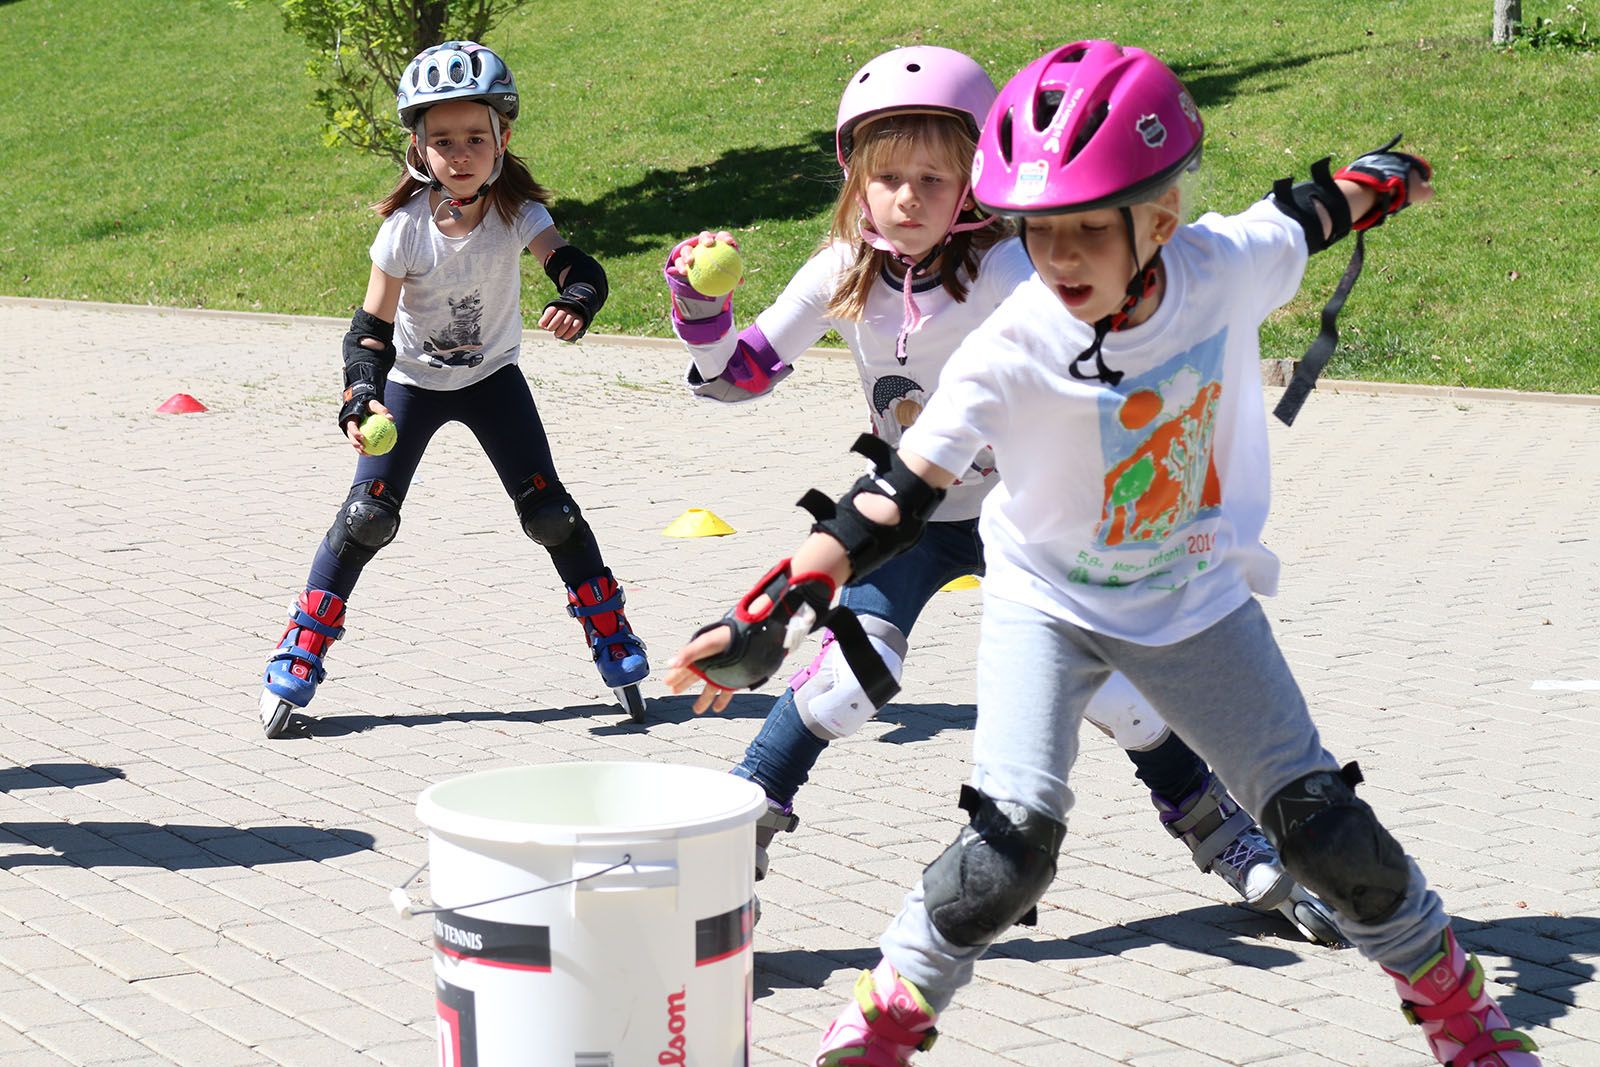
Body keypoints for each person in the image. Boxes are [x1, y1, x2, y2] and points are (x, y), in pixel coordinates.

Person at [666, 40, 1538, 1067]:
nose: (1062, 257)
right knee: (1004, 852)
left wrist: (1375, 183)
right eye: (1040, 233)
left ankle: (1461, 1017)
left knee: (1326, 832)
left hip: (1196, 601)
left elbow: (1307, 215)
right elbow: (895, 492)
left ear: (1159, 220)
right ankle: (877, 1028)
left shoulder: (1222, 265)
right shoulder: (1011, 340)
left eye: (1088, 229)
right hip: (1041, 601)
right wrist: (780, 598)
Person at [663, 45, 1338, 943]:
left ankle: (1235, 842)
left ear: (977, 185)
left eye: (933, 179)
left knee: (1119, 699)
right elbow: (738, 377)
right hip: (904, 509)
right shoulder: (841, 267)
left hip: (1025, 512)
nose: (908, 199)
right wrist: (700, 316)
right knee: (849, 682)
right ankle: (732, 852)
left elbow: (1119, 344)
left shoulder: (1011, 272)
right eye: (889, 176)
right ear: (855, 180)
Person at [259, 40, 648, 738]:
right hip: (412, 384)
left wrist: (580, 298)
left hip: (493, 380)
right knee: (365, 517)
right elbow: (369, 332)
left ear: (503, 137)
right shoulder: (403, 230)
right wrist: (360, 395)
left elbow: (573, 265)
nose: (460, 154)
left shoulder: (517, 211)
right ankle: (303, 641)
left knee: (550, 511)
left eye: (475, 137)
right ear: (417, 145)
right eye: (443, 141)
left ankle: (609, 630)